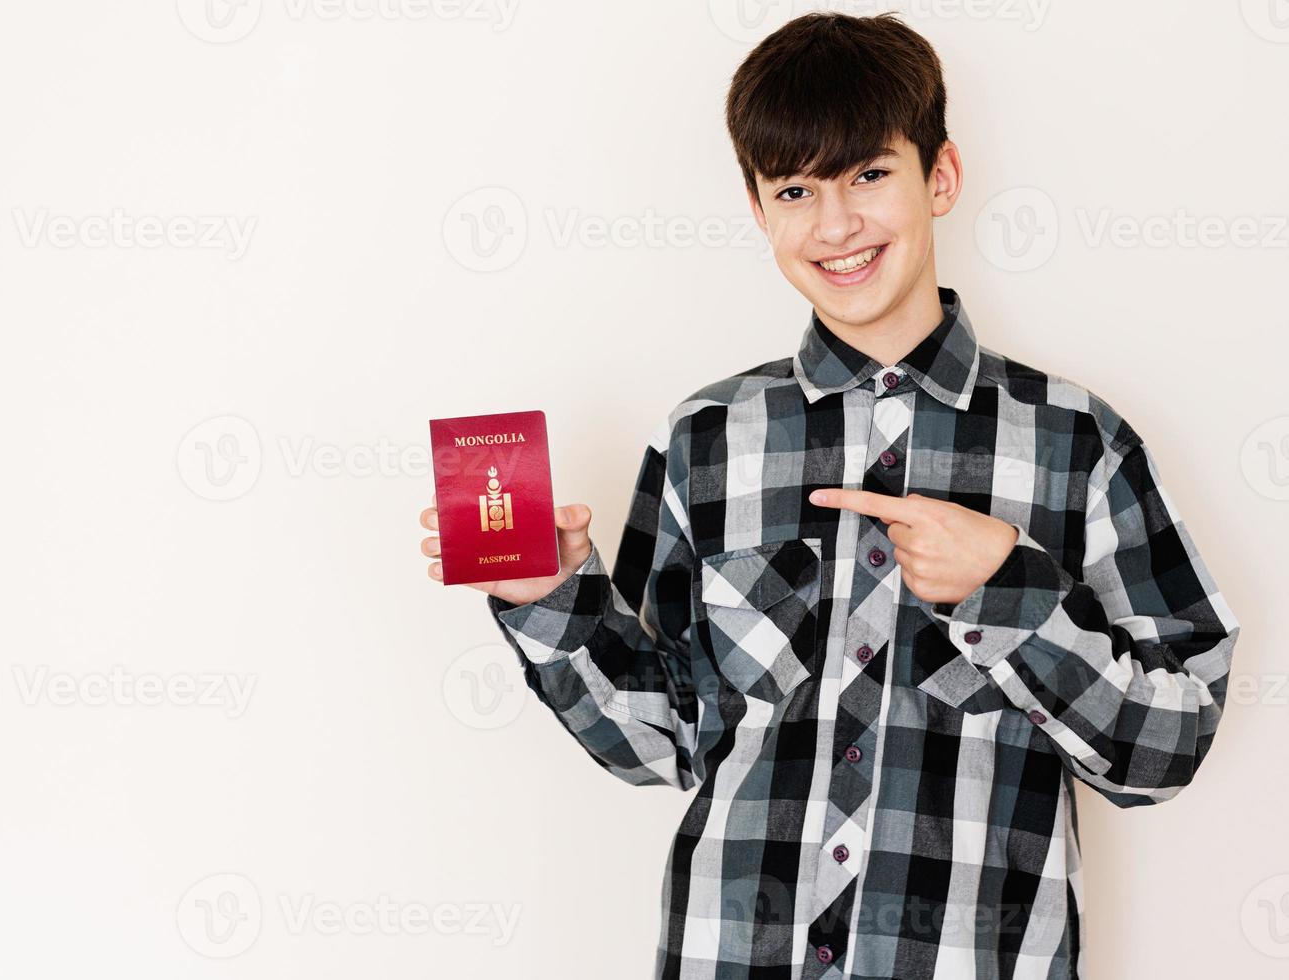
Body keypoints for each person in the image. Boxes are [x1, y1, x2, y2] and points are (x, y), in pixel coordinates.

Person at [418, 11, 1239, 978]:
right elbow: (662, 742)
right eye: (796, 188)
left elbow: (1168, 747)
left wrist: (1006, 590)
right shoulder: (704, 441)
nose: (835, 224)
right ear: (759, 210)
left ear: (941, 177)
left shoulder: (1077, 442)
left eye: (869, 175)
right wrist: (551, 601)